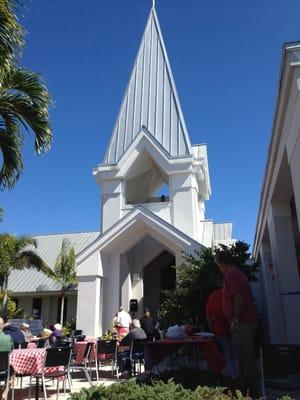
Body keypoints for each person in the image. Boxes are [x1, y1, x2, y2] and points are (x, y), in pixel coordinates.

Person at [214, 251, 258, 397]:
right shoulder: (235, 273)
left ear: (222, 263)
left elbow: (239, 297)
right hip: (244, 322)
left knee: (245, 360)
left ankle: (251, 394)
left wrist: (236, 320)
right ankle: (246, 392)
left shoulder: (231, 274)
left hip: (243, 323)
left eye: (218, 264)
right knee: (242, 359)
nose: (218, 268)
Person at [206, 286, 236, 377]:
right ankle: (238, 373)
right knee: (235, 352)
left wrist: (212, 330)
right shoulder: (230, 295)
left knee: (226, 352)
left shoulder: (212, 296)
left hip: (219, 328)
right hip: (232, 325)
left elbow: (208, 315)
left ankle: (230, 375)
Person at [0, 317, 13, 400]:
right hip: (4, 371)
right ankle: (2, 394)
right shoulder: (8, 338)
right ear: (3, 325)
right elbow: (12, 350)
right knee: (13, 372)